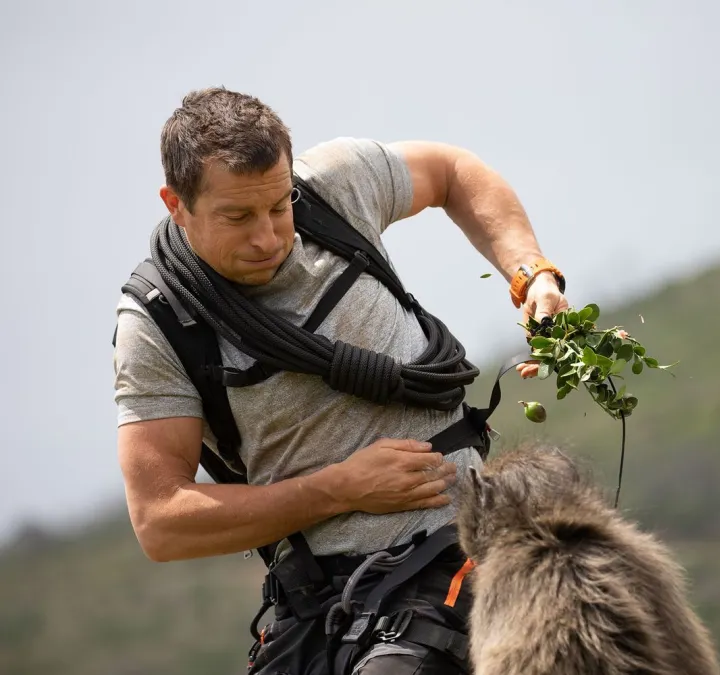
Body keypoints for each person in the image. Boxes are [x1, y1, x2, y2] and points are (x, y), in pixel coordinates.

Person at [112, 86, 569, 675]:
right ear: (175, 203)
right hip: (319, 601)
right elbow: (160, 522)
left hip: (460, 549)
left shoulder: (331, 187)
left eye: (278, 206)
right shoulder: (158, 322)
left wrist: (529, 273)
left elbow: (454, 171)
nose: (269, 236)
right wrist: (339, 490)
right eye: (238, 217)